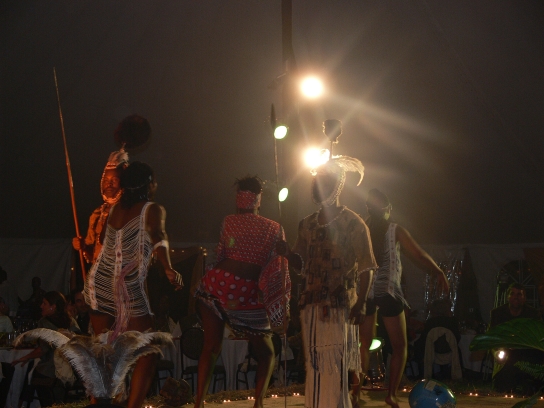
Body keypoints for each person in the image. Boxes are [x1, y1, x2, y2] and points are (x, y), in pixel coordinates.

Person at [278, 156, 377, 408]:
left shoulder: (354, 223)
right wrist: (287, 253)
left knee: (335, 362)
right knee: (315, 364)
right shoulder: (306, 224)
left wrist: (361, 303)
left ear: (338, 185)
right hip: (311, 306)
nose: (320, 186)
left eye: (326, 182)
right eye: (318, 182)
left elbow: (367, 267)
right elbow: (301, 264)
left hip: (340, 304)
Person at [83, 161, 183, 408]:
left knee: (105, 348)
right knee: (148, 349)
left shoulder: (115, 209)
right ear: (149, 184)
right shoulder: (151, 208)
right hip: (124, 282)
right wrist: (168, 267)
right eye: (154, 181)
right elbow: (158, 236)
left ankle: (100, 402)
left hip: (98, 281)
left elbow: (106, 242)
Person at [194, 176, 290, 408]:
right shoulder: (274, 228)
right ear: (258, 200)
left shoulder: (229, 221)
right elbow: (275, 267)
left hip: (216, 285)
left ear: (239, 199)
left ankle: (199, 403)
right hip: (243, 292)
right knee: (267, 353)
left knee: (211, 347)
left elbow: (222, 254)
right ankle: (258, 403)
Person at [360, 189, 449, 408]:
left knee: (363, 345)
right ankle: (391, 394)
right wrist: (438, 271)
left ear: (368, 209)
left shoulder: (361, 227)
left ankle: (354, 392)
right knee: (399, 346)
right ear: (388, 209)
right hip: (388, 292)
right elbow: (419, 254)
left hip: (366, 292)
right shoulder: (395, 230)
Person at [12, 291, 81, 406]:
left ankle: (22, 403)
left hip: (51, 371)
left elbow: (42, 350)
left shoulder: (44, 323)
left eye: (44, 303)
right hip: (70, 370)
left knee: (32, 375)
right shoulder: (71, 321)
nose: (41, 306)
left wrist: (25, 357)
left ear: (53, 307)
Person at [72, 149, 128, 264]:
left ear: (124, 182)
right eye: (106, 180)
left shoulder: (131, 212)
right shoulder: (97, 214)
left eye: (114, 180)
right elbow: (92, 253)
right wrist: (83, 246)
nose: (109, 184)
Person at [489, 282, 543, 393]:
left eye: (519, 294)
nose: (516, 297)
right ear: (508, 297)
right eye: (513, 294)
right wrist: (496, 352)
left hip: (526, 352)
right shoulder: (498, 314)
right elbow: (491, 338)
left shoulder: (532, 314)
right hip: (505, 352)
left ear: (524, 298)